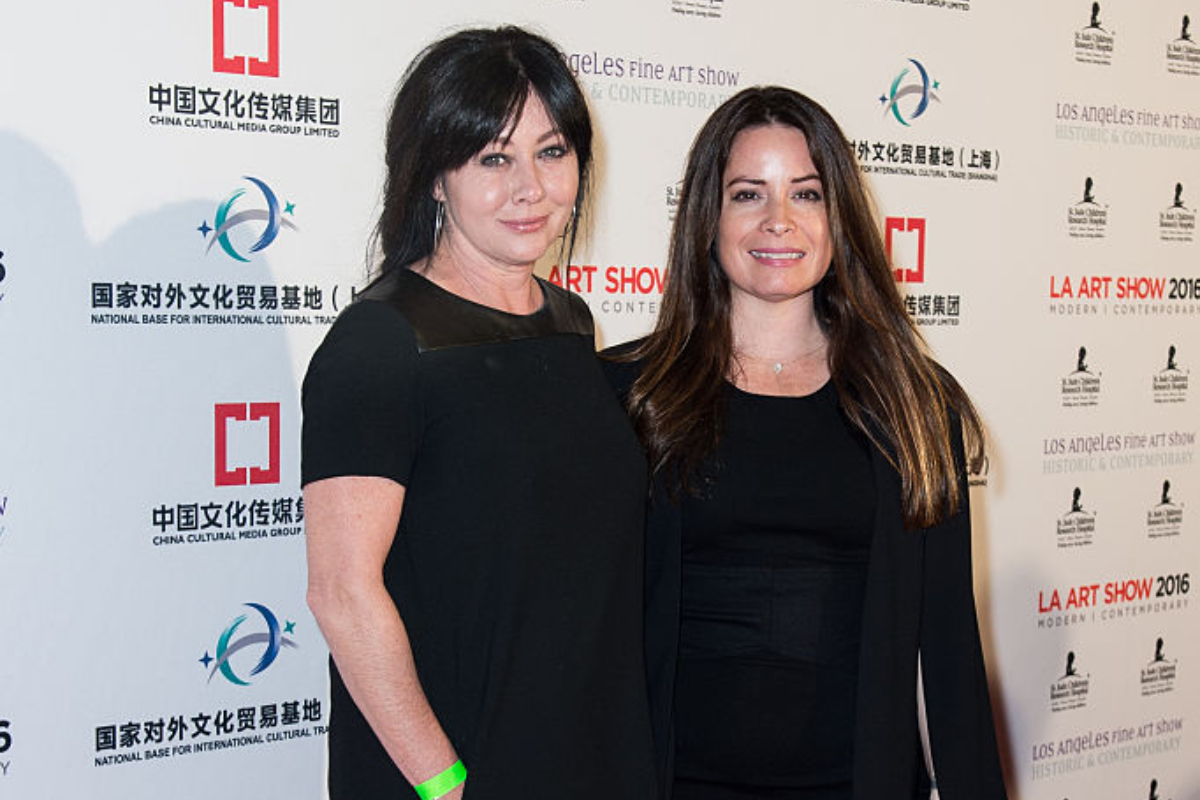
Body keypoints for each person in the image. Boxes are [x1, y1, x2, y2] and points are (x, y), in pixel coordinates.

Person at [605, 86, 1007, 799]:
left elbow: (945, 647)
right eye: (747, 194)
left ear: (838, 215)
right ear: (707, 217)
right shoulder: (631, 395)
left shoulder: (913, 403)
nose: (779, 221)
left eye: (807, 194)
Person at [301, 26, 658, 800]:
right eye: (493, 158)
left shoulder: (570, 323)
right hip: (457, 767)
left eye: (552, 152)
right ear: (435, 176)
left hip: (582, 752)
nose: (530, 187)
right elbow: (342, 593)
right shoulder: (381, 342)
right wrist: (445, 784)